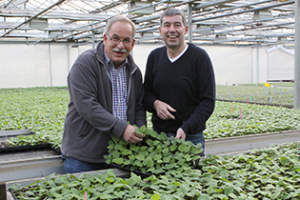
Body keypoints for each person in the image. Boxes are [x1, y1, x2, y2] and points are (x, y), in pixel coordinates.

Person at [61, 15, 146, 173]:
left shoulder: (134, 71)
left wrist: (140, 130)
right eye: (115, 38)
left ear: (132, 43)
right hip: (85, 157)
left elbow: (139, 106)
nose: (120, 45)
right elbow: (87, 105)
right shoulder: (86, 63)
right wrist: (120, 128)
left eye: (126, 40)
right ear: (105, 39)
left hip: (120, 155)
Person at [143, 8, 215, 155]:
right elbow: (145, 93)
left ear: (185, 29)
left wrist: (186, 127)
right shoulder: (154, 57)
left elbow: (208, 101)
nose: (172, 30)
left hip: (190, 138)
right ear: (160, 30)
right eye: (167, 25)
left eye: (177, 25)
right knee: (159, 176)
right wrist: (155, 104)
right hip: (159, 135)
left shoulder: (199, 58)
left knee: (190, 177)